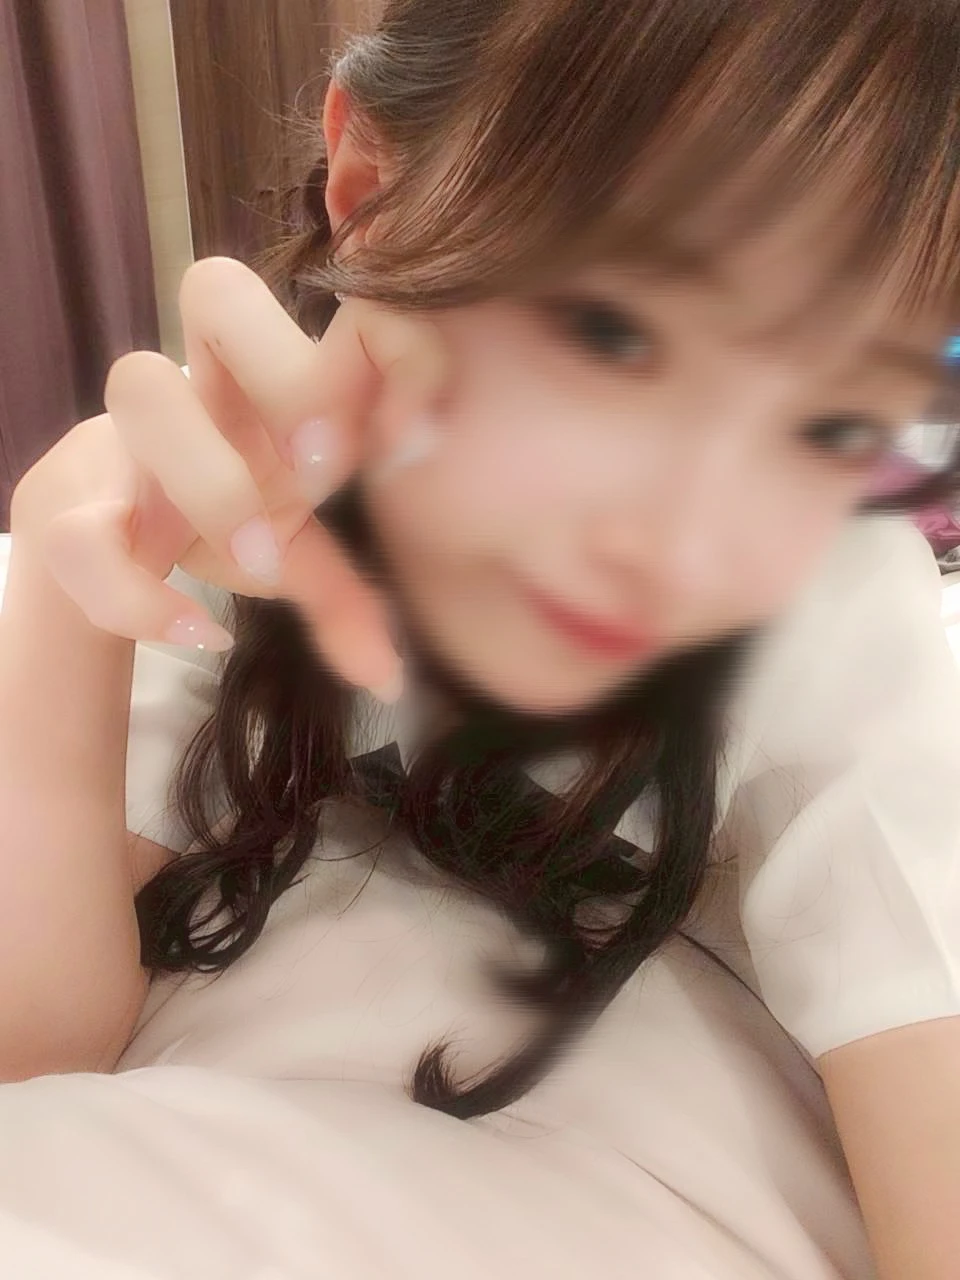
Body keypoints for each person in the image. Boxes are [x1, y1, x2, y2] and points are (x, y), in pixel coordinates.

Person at [1, 1, 959, 1276]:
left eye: (843, 405)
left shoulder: (827, 597)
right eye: (608, 327)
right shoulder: (240, 511)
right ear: (370, 185)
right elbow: (33, 1045)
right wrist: (66, 593)